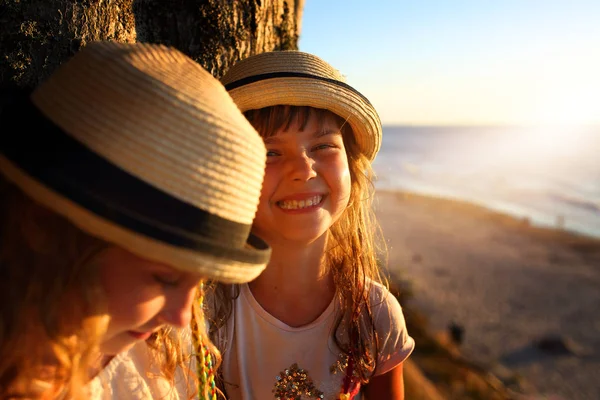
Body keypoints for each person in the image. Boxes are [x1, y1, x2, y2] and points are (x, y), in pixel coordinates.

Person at [0, 41, 270, 399]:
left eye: (199, 282)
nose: (181, 317)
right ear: (48, 232)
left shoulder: (155, 356)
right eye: (165, 277)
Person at [206, 51, 415, 399]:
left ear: (352, 167)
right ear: (229, 175)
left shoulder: (374, 315)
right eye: (270, 152)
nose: (304, 169)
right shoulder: (207, 315)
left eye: (322, 146)